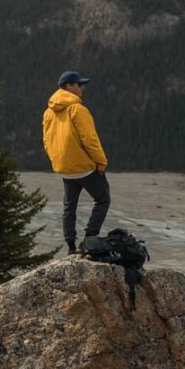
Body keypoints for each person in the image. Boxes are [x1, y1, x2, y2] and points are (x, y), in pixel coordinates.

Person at [42, 71, 110, 254]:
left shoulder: (49, 112)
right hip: (85, 168)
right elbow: (90, 140)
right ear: (69, 86)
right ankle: (90, 239)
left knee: (69, 206)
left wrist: (58, 161)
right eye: (79, 84)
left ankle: (71, 247)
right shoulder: (78, 109)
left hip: (65, 169)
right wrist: (101, 163)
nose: (82, 88)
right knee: (103, 199)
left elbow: (47, 141)